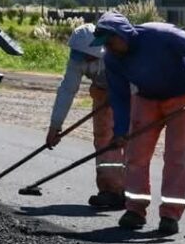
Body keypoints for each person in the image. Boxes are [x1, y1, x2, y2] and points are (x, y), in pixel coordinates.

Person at [93, 11, 185, 236]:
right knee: (135, 155)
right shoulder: (112, 58)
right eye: (104, 44)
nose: (108, 48)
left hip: (184, 95)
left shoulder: (161, 35)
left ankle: (170, 214)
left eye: (110, 42)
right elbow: (120, 97)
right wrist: (120, 131)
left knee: (177, 157)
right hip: (146, 98)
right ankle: (135, 210)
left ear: (123, 34)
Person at [45, 23, 125, 209]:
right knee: (104, 140)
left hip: (129, 95)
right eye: (78, 54)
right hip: (102, 93)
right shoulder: (77, 59)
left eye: (86, 55)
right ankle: (110, 190)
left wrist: (120, 97)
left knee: (129, 139)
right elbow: (67, 90)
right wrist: (55, 126)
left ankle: (131, 193)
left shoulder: (115, 52)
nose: (82, 58)